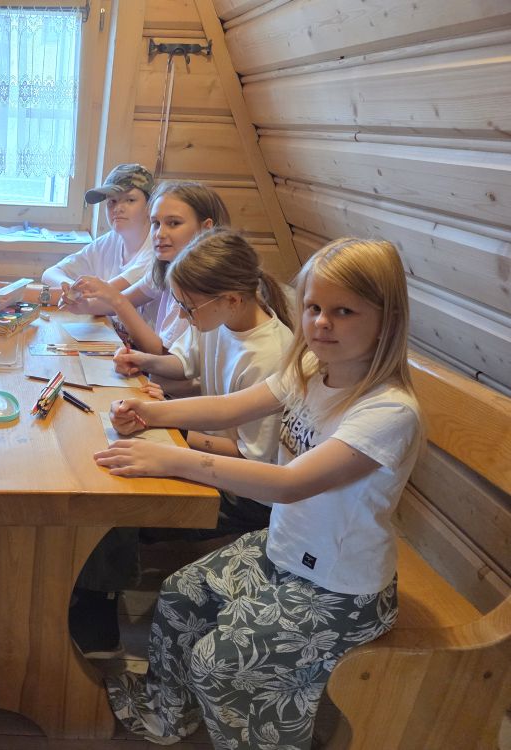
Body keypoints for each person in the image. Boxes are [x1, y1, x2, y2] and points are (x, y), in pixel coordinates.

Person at [95, 238, 422, 748]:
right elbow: (231, 407)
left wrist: (171, 457)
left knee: (218, 665)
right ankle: (168, 714)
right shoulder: (310, 370)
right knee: (181, 594)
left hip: (340, 591)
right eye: (313, 307)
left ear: (387, 320)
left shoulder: (388, 412)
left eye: (344, 311)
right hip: (283, 550)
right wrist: (151, 413)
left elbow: (289, 484)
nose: (321, 323)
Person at [70, 228, 294, 659]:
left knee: (121, 493)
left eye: (189, 308)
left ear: (232, 299)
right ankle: (86, 583)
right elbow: (188, 365)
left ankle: (99, 604)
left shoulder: (267, 354)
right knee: (110, 455)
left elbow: (252, 458)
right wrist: (144, 364)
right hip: (213, 450)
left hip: (248, 491)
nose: (185, 317)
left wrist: (175, 440)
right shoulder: (218, 318)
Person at [61, 181, 231, 370]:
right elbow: (117, 302)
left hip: (168, 384)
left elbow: (161, 352)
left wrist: (116, 299)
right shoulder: (163, 267)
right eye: (156, 223)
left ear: (206, 228)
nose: (160, 234)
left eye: (174, 223)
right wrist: (83, 305)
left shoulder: (198, 286)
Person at [41, 163, 156, 300]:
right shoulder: (111, 240)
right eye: (112, 201)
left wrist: (76, 293)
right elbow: (50, 273)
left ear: (151, 205)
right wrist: (70, 286)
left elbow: (105, 296)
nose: (118, 208)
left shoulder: (156, 251)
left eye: (130, 200)